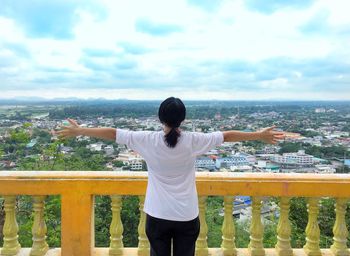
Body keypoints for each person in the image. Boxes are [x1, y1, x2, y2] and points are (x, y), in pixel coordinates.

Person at [57, 97, 285, 256]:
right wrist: (259, 135)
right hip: (187, 215)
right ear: (182, 119)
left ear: (160, 118)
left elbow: (113, 133)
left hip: (157, 215)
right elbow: (227, 136)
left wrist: (81, 130)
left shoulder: (146, 139)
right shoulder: (194, 140)